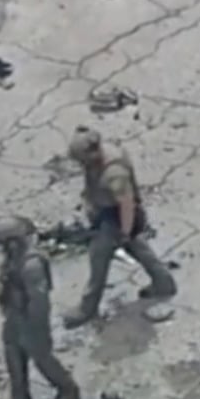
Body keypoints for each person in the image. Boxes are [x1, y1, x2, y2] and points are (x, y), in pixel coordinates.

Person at [62, 126, 177, 329]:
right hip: (111, 213)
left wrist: (124, 231)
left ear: (93, 153)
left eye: (82, 160)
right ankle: (164, 283)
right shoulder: (107, 150)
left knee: (99, 259)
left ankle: (87, 309)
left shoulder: (114, 174)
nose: (81, 164)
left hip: (115, 218)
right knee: (139, 249)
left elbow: (126, 204)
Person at [0, 216, 80, 399]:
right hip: (14, 315)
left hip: (30, 319)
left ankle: (67, 389)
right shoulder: (13, 260)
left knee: (42, 357)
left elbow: (39, 300)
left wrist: (35, 328)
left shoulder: (31, 265)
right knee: (13, 355)